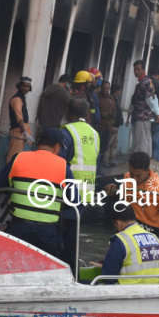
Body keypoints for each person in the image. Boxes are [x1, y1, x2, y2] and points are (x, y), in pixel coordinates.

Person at [0, 127, 74, 258]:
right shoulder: (63, 166)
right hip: (47, 233)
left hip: (18, 229)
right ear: (57, 147)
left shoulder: (18, 158)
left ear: (38, 143)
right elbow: (74, 200)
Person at [59, 97, 99, 269]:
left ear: (68, 111)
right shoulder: (94, 133)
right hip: (85, 193)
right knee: (73, 239)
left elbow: (58, 163)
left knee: (62, 240)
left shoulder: (66, 132)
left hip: (67, 193)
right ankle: (73, 272)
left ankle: (67, 273)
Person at [104, 151, 159, 233]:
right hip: (129, 227)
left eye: (138, 176)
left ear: (147, 171)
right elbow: (123, 200)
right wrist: (113, 193)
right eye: (132, 174)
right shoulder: (127, 177)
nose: (134, 179)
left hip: (150, 230)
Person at [96, 204, 159, 285]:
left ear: (117, 223)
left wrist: (105, 267)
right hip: (157, 290)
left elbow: (108, 277)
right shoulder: (156, 239)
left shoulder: (120, 240)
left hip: (130, 291)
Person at [129, 60, 155, 155]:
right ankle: (146, 160)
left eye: (138, 69)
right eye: (135, 69)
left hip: (143, 115)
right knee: (145, 139)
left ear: (143, 70)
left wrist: (157, 113)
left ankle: (141, 161)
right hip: (144, 116)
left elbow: (150, 99)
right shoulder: (144, 81)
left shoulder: (144, 82)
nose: (136, 71)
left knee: (141, 141)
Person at [7, 77, 34, 162]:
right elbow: (19, 118)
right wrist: (25, 132)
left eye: (27, 86)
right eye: (23, 86)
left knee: (17, 157)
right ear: (19, 86)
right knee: (13, 157)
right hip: (18, 131)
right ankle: (8, 175)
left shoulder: (21, 98)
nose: (25, 88)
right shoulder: (17, 99)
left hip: (21, 131)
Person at [97, 81, 117, 167]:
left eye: (107, 88)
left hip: (108, 126)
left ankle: (101, 164)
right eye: (104, 88)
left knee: (104, 147)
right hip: (99, 126)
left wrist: (112, 113)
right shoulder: (97, 97)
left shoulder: (111, 98)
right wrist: (102, 114)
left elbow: (114, 110)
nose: (105, 90)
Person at [107, 84, 125, 164]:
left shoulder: (116, 100)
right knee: (109, 143)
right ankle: (106, 160)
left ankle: (111, 159)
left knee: (113, 145)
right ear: (117, 91)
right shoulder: (112, 99)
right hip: (113, 125)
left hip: (116, 126)